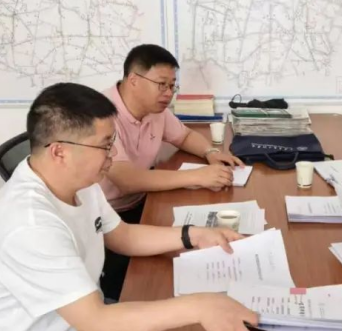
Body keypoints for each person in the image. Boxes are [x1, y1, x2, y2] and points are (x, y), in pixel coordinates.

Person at [0, 83, 261, 331]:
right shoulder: (27, 224)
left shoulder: (80, 183)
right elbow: (98, 323)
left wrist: (193, 235)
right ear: (59, 152)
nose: (113, 153)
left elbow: (123, 236)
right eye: (105, 145)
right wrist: (199, 306)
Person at [101, 44, 243, 223]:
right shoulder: (100, 114)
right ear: (134, 80)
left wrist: (210, 152)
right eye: (161, 84)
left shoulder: (155, 109)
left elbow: (184, 136)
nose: (169, 94)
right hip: (106, 214)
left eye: (171, 86)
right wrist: (198, 176)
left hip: (143, 199)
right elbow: (127, 180)